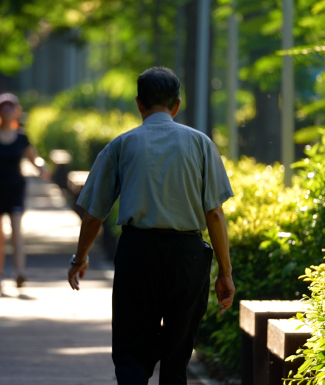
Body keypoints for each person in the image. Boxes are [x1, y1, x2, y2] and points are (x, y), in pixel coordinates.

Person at [67, 67, 236, 384]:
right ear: (177, 105)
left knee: (132, 354)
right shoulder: (201, 144)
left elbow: (94, 215)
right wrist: (225, 272)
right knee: (177, 358)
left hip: (138, 253)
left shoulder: (121, 145)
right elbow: (215, 213)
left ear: (138, 103)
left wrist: (80, 259)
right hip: (187, 257)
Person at [0, 93, 50, 295]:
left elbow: (34, 158)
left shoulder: (22, 137)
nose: (8, 111)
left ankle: (20, 271)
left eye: (11, 108)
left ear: (16, 112)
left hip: (16, 187)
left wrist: (42, 167)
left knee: (16, 230)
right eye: (4, 107)